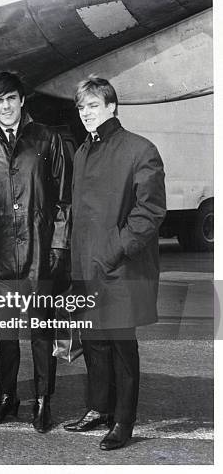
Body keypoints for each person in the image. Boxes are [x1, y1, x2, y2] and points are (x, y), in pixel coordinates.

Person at [0, 71, 71, 432]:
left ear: (22, 100)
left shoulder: (48, 140)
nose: (6, 106)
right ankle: (8, 397)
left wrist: (57, 245)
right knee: (6, 333)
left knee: (41, 331)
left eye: (11, 98)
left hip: (40, 252)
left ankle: (43, 400)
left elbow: (64, 201)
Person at [63, 75, 166, 450]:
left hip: (121, 268)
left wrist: (112, 251)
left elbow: (149, 213)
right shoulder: (82, 151)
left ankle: (123, 420)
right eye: (81, 107)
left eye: (93, 105)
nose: (86, 113)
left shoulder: (140, 149)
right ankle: (98, 408)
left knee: (122, 346)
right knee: (94, 342)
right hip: (86, 268)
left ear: (111, 106)